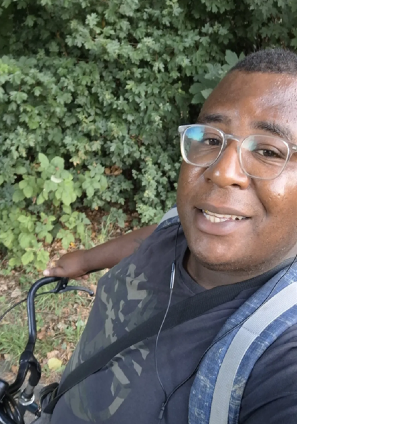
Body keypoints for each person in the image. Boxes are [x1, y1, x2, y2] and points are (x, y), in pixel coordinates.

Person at [43, 47, 297, 424]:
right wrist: (85, 260)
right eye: (211, 139)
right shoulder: (182, 227)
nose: (222, 171)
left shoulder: (281, 354)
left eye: (269, 151)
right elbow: (153, 235)